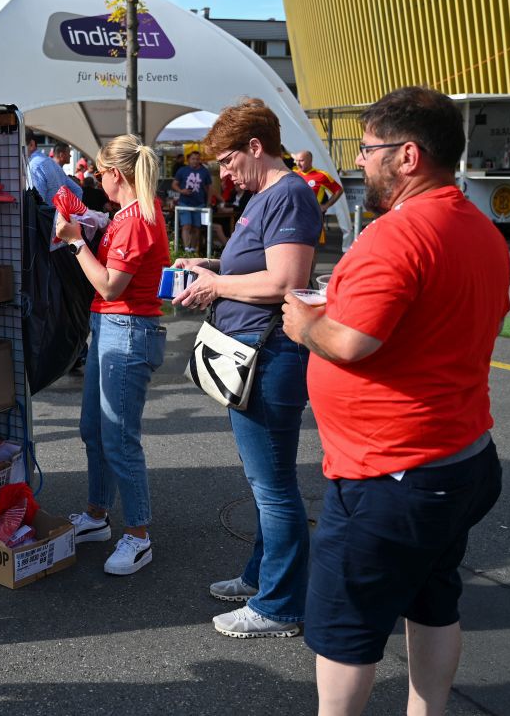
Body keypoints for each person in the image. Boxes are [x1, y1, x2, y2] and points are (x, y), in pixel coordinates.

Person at [281, 86, 508, 716]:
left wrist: (304, 326)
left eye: (367, 148)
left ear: (407, 155)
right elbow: (436, 320)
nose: (359, 161)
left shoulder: (398, 234)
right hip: (458, 459)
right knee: (434, 598)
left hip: (393, 473)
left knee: (346, 631)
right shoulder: (479, 229)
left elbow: (352, 343)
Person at [172, 98, 322, 638]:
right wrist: (211, 267)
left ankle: (280, 605)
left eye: (230, 161)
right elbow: (258, 267)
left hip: (270, 355)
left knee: (273, 484)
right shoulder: (269, 196)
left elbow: (286, 281)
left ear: (256, 148)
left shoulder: (288, 195)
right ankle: (264, 579)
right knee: (266, 481)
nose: (225, 173)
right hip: (255, 353)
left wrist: (216, 284)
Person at [57, 134, 170, 576]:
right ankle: (97, 515)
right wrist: (91, 224)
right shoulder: (130, 213)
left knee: (119, 438)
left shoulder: (137, 219)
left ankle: (138, 534)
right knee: (94, 430)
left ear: (115, 175)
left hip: (127, 330)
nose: (95, 179)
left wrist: (76, 240)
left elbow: (108, 285)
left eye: (99, 172)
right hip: (113, 328)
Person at [295, 150, 344, 245]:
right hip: (297, 216)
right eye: (296, 161)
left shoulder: (322, 175)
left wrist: (325, 206)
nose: (298, 164)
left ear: (310, 161)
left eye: (301, 161)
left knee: (311, 246)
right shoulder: (293, 175)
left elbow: (338, 190)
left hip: (313, 217)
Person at [26, 130, 83, 204]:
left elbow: (37, 203)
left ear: (31, 145)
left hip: (46, 214)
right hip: (57, 214)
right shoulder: (54, 165)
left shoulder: (34, 166)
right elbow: (78, 190)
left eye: (20, 145)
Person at [172, 151, 213, 253]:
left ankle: (193, 250)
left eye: (197, 159)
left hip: (199, 203)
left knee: (196, 228)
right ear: (188, 160)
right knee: (186, 225)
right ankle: (186, 249)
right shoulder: (182, 170)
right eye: (193, 159)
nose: (195, 161)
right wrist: (182, 191)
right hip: (184, 203)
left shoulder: (204, 171)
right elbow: (174, 184)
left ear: (200, 160)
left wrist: (208, 202)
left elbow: (209, 188)